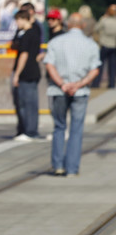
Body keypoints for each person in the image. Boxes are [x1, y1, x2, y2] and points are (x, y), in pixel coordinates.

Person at [44, 13, 100, 176]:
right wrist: (78, 84)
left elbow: (50, 65)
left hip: (58, 89)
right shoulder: (91, 44)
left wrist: (63, 84)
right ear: (82, 25)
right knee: (76, 129)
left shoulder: (55, 42)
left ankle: (58, 165)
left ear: (68, 24)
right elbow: (94, 70)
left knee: (59, 126)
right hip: (80, 91)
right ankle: (72, 168)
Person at [11, 9, 45, 141]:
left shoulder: (27, 34)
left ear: (23, 19)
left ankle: (30, 131)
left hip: (27, 72)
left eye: (18, 20)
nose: (17, 23)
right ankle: (29, 130)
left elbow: (24, 55)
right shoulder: (33, 32)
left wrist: (16, 74)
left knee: (27, 103)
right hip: (33, 71)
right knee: (28, 103)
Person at [92, 4, 116, 88]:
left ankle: (96, 83)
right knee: (112, 66)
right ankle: (112, 84)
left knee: (100, 65)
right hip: (114, 45)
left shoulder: (104, 20)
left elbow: (96, 28)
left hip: (104, 44)